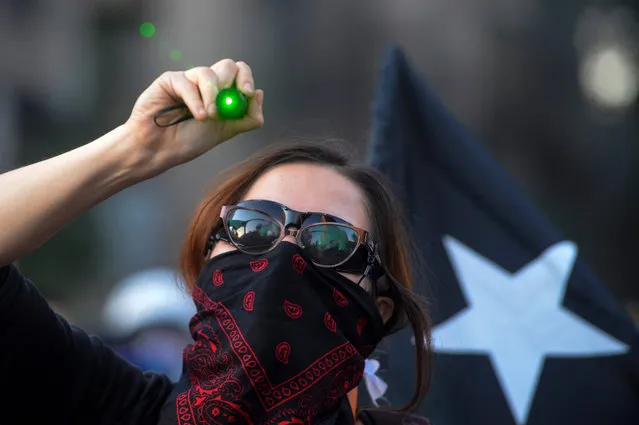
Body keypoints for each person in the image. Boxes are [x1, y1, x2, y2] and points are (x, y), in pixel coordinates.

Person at [0, 59, 432, 424]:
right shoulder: (117, 409)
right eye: (253, 228)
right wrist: (133, 151)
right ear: (207, 261)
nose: (284, 258)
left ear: (379, 307)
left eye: (330, 241)